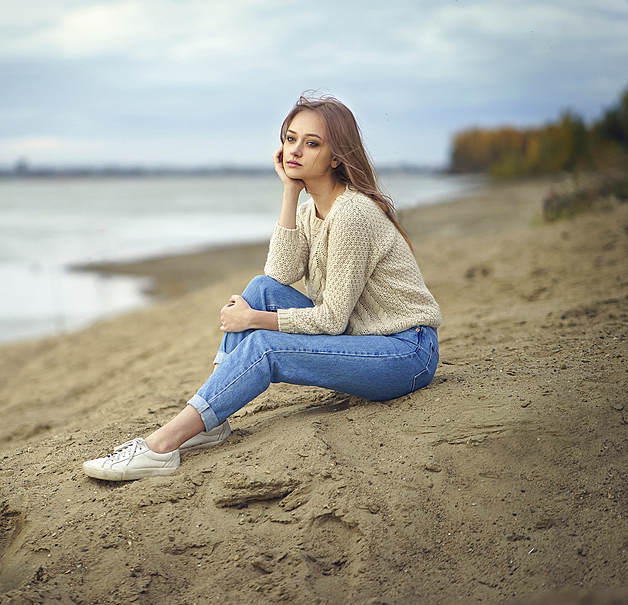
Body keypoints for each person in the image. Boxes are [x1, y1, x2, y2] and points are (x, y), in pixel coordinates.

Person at [83, 94, 442, 481]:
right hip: (365, 338)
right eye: (290, 139)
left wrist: (253, 319)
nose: (295, 151)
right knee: (260, 287)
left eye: (312, 143)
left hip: (405, 351)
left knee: (264, 343)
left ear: (337, 156)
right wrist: (290, 192)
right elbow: (279, 274)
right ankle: (214, 422)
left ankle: (161, 446)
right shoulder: (311, 208)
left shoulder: (352, 213)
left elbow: (333, 320)